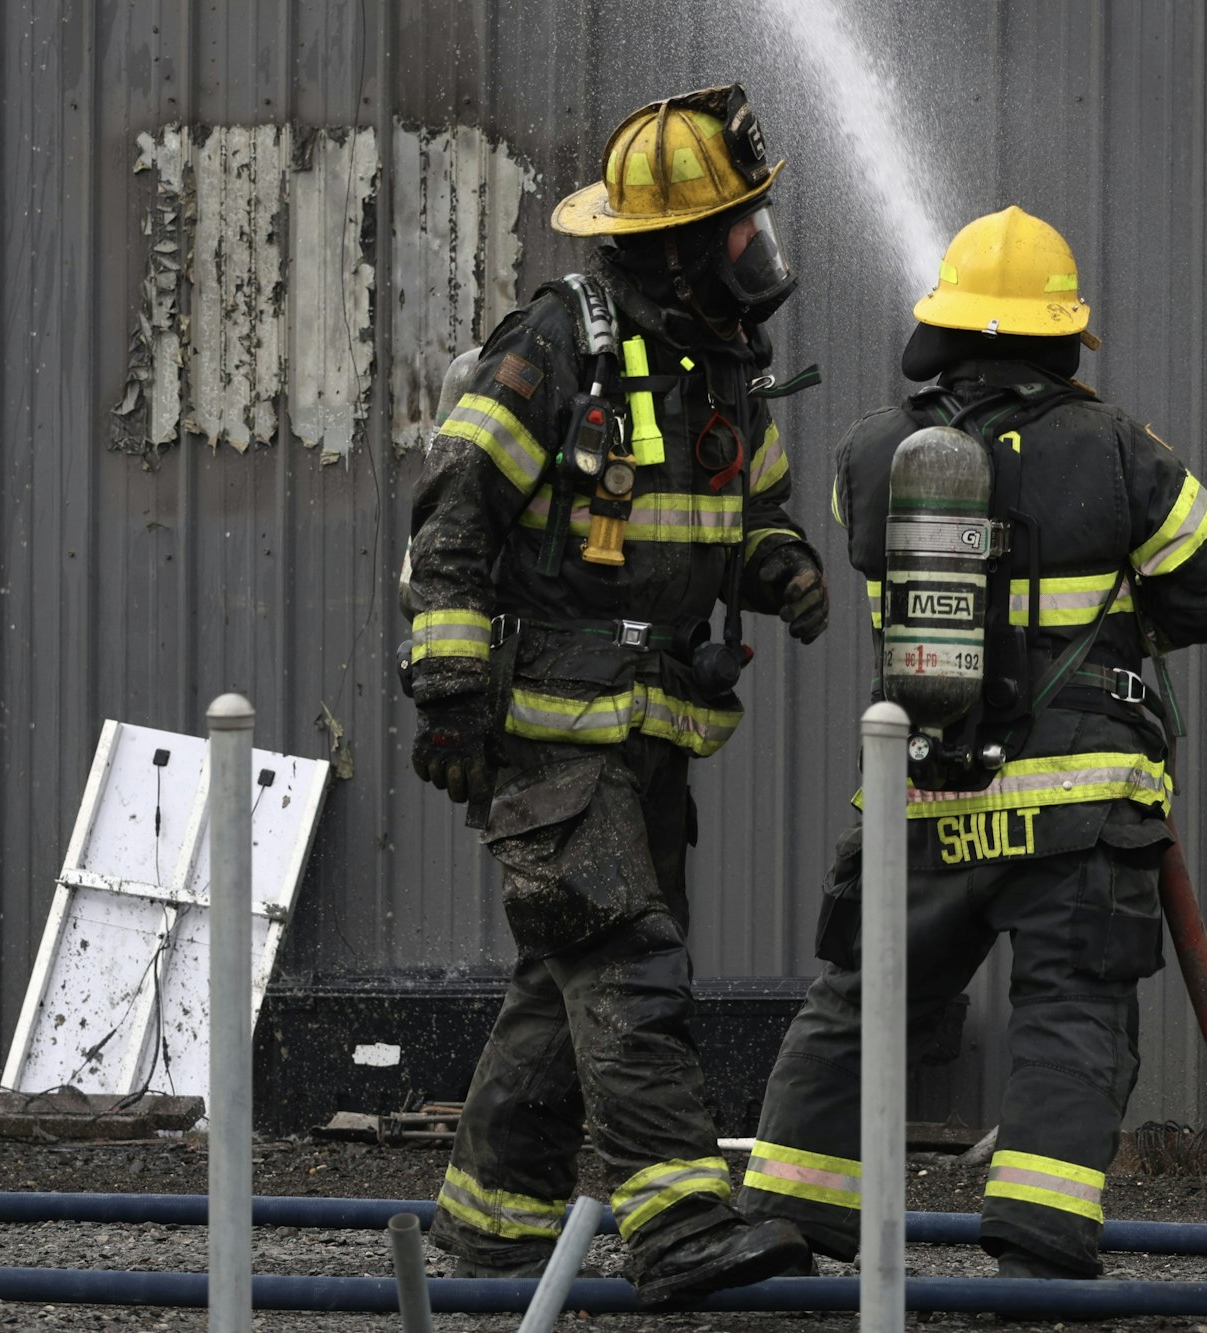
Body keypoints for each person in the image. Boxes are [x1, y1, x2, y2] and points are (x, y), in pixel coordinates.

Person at [737, 206, 1207, 1281]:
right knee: (1069, 1006)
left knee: (862, 999)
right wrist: (1115, 624)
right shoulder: (1116, 450)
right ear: (1060, 334)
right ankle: (1036, 1239)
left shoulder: (868, 452)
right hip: (1074, 802)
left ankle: (786, 1211)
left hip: (920, 794)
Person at [401, 83, 827, 1305]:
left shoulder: (728, 366)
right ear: (684, 243)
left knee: (566, 976)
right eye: (740, 228)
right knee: (629, 961)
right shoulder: (555, 340)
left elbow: (745, 518)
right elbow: (454, 512)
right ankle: (678, 1215)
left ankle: (491, 1229)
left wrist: (781, 565)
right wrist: (449, 690)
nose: (757, 249)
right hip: (550, 737)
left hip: (651, 740)